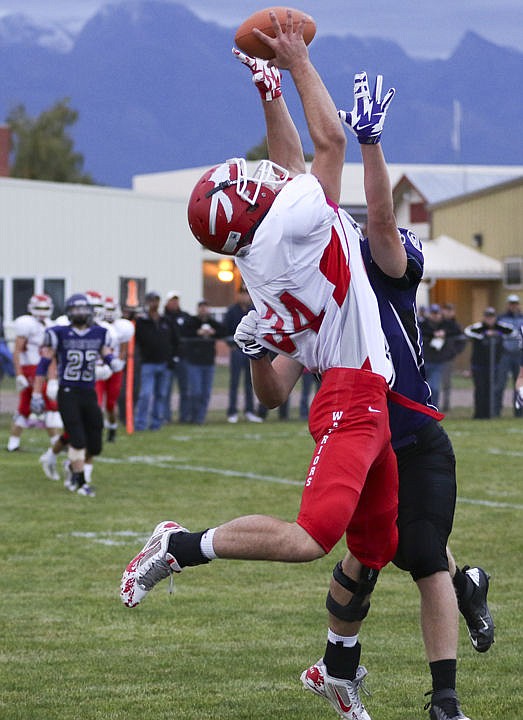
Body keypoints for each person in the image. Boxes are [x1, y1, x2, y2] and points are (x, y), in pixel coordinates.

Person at [121, 14, 399, 720]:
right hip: (352, 396)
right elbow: (326, 145)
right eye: (243, 179)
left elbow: (272, 393)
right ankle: (183, 544)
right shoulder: (285, 226)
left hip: (349, 391)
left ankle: (337, 668)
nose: (254, 171)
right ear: (249, 208)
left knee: (376, 543)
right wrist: (298, 60)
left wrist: (267, 92)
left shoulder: (259, 251)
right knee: (314, 539)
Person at [231, 68, 484, 720]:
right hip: (356, 435)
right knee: (359, 558)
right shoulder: (311, 294)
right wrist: (258, 349)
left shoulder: (383, 259)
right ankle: (344, 662)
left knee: (420, 554)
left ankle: (445, 699)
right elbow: (271, 392)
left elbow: (375, 223)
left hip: (410, 431)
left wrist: (369, 143)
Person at [32, 293, 123, 496]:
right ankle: (79, 482)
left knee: (96, 444)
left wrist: (113, 362)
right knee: (77, 438)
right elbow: (43, 365)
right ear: (69, 312)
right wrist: (37, 393)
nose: (80, 313)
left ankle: (71, 466)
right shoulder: (58, 333)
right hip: (68, 391)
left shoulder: (99, 333)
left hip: (88, 391)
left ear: (90, 311)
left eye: (84, 309)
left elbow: (107, 354)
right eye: (76, 309)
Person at [6, 293, 63, 457]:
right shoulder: (26, 324)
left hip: (43, 368)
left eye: (45, 308)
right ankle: (56, 443)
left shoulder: (51, 325)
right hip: (31, 368)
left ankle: (13, 443)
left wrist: (53, 378)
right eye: (39, 308)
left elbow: (51, 354)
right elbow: (17, 350)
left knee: (29, 406)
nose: (42, 311)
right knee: (48, 404)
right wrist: (19, 373)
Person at [134, 291, 177, 431]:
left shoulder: (165, 320)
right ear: (147, 302)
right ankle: (140, 423)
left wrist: (172, 358)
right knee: (145, 394)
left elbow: (174, 340)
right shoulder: (141, 321)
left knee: (161, 395)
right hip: (148, 362)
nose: (154, 303)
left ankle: (156, 424)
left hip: (164, 362)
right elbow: (137, 340)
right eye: (152, 300)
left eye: (156, 300)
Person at [95, 296, 134, 442]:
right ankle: (96, 432)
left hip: (114, 369)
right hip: (99, 367)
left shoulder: (122, 327)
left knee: (110, 404)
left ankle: (112, 427)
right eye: (107, 309)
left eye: (112, 309)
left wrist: (119, 363)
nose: (109, 313)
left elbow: (123, 349)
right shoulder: (97, 326)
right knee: (97, 403)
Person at [183, 300, 227, 424]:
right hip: (194, 362)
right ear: (198, 309)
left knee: (206, 393)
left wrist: (213, 332)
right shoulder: (191, 322)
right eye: (201, 307)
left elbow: (224, 331)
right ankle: (192, 416)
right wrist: (198, 332)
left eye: (205, 307)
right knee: (195, 392)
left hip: (209, 362)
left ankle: (200, 418)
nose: (203, 310)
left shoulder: (212, 323)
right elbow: (184, 331)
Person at [464, 308, 513, 419]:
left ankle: (491, 413)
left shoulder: (500, 327)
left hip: (494, 365)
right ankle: (479, 414)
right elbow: (467, 331)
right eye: (487, 317)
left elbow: (512, 332)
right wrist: (484, 334)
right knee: (480, 390)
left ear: (495, 317)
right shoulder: (478, 327)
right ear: (484, 317)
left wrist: (498, 334)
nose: (490, 319)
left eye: (492, 317)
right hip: (479, 365)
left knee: (491, 390)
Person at [224, 285, 263, 423]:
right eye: (242, 293)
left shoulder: (255, 310)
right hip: (237, 351)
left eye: (246, 293)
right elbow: (225, 330)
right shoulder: (231, 311)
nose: (244, 296)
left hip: (251, 351)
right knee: (234, 382)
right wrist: (231, 345)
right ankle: (232, 411)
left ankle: (249, 410)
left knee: (250, 382)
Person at [420, 304, 464, 410]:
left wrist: (444, 333)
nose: (435, 316)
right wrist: (433, 334)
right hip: (424, 361)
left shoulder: (446, 324)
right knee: (422, 388)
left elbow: (458, 332)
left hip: (438, 361)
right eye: (433, 313)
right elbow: (419, 331)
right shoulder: (423, 324)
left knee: (434, 387)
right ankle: (422, 409)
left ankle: (433, 408)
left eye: (437, 313)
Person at [162, 291, 191, 423]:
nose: (174, 303)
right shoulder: (163, 318)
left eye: (176, 300)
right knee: (166, 390)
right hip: (168, 359)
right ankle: (166, 416)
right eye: (172, 300)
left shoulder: (185, 317)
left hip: (183, 357)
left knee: (184, 389)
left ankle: (184, 417)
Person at [495, 294, 523, 417]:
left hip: (519, 354)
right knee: (500, 384)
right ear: (508, 305)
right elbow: (497, 332)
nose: (513, 306)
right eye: (511, 303)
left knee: (519, 384)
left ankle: (519, 412)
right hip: (505, 354)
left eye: (515, 303)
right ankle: (496, 411)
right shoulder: (501, 318)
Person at [439, 303, 466, 412]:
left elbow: (461, 340)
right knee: (433, 383)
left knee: (446, 383)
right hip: (433, 358)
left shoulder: (456, 326)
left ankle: (446, 404)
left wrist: (454, 352)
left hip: (447, 358)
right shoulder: (438, 323)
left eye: (450, 310)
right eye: (446, 310)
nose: (448, 313)